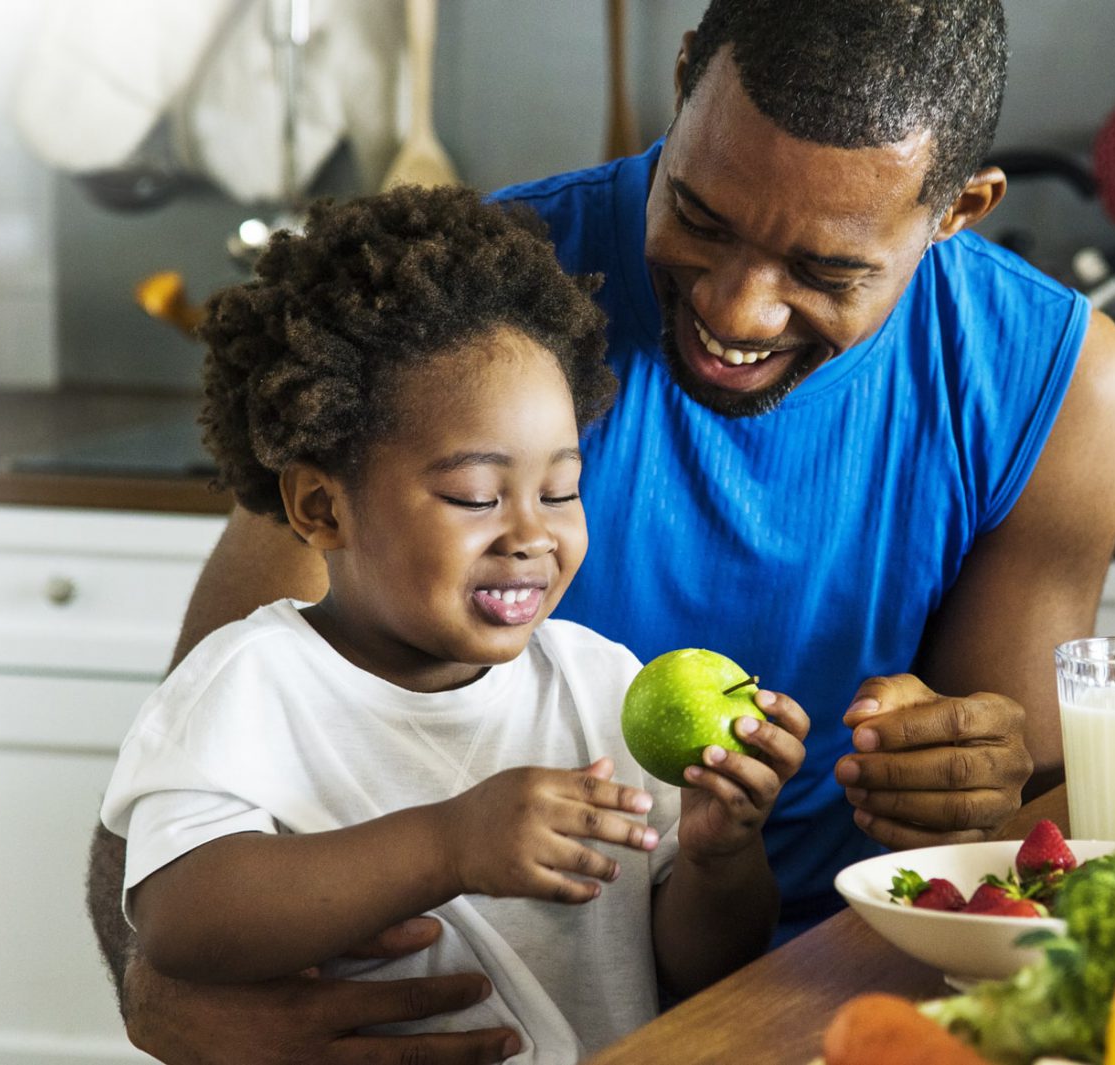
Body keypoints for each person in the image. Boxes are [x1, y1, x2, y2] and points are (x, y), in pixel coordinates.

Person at [86, 1, 1115, 1061]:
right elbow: (171, 811)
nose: (737, 312)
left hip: (857, 996)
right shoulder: (458, 329)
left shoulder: (1053, 383)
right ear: (683, 80)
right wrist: (161, 997)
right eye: (700, 214)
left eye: (823, 272)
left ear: (959, 208)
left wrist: (956, 779)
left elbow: (1014, 832)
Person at [98, 185, 813, 1063]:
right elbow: (182, 918)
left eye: (560, 490)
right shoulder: (252, 683)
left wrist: (718, 856)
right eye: (475, 496)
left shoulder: (599, 685)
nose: (531, 534)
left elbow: (699, 965)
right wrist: (447, 843)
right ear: (323, 507)